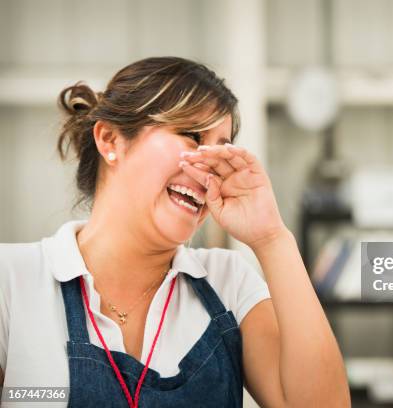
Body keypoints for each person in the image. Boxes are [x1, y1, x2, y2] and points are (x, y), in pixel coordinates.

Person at [0, 56, 350, 407]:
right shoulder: (11, 282)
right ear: (110, 140)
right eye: (191, 136)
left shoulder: (228, 283)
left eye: (221, 149)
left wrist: (272, 239)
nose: (208, 169)